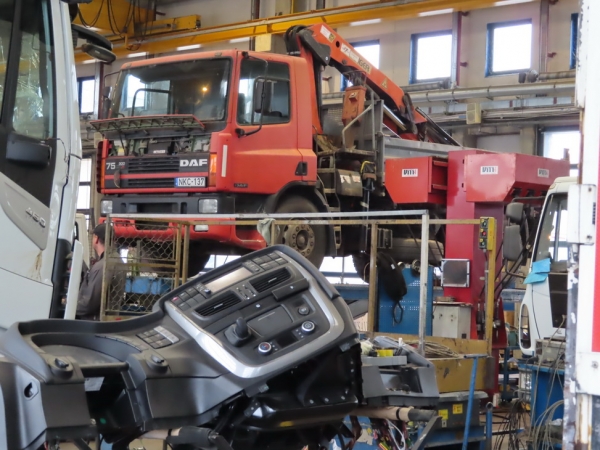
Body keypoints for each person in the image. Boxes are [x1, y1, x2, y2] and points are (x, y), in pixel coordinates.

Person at [76, 223, 109, 320]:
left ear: (96, 238)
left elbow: (88, 304)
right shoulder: (114, 261)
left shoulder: (101, 266)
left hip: (94, 322)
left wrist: (69, 306)